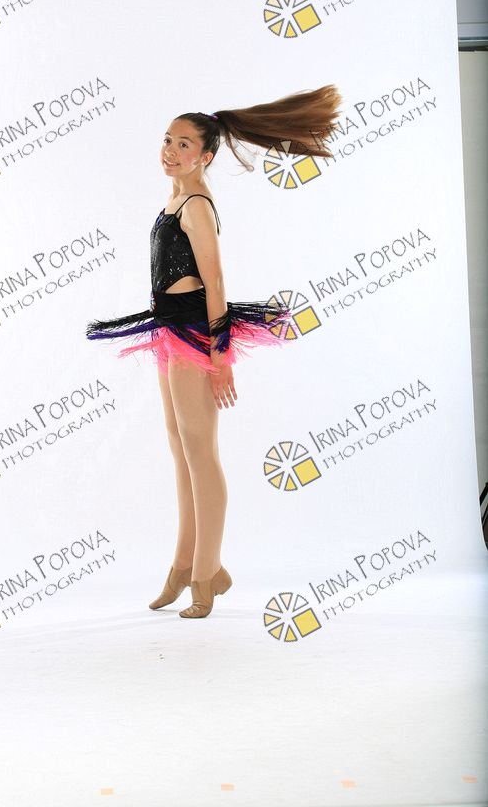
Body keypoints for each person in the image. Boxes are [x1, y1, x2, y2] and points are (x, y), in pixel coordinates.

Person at [86, 85, 341, 618]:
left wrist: (219, 355)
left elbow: (216, 281)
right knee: (180, 447)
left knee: (200, 451)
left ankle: (208, 572)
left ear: (205, 156)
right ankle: (184, 565)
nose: (170, 150)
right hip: (169, 328)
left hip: (195, 333)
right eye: (167, 140)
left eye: (183, 144)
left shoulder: (197, 205)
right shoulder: (174, 200)